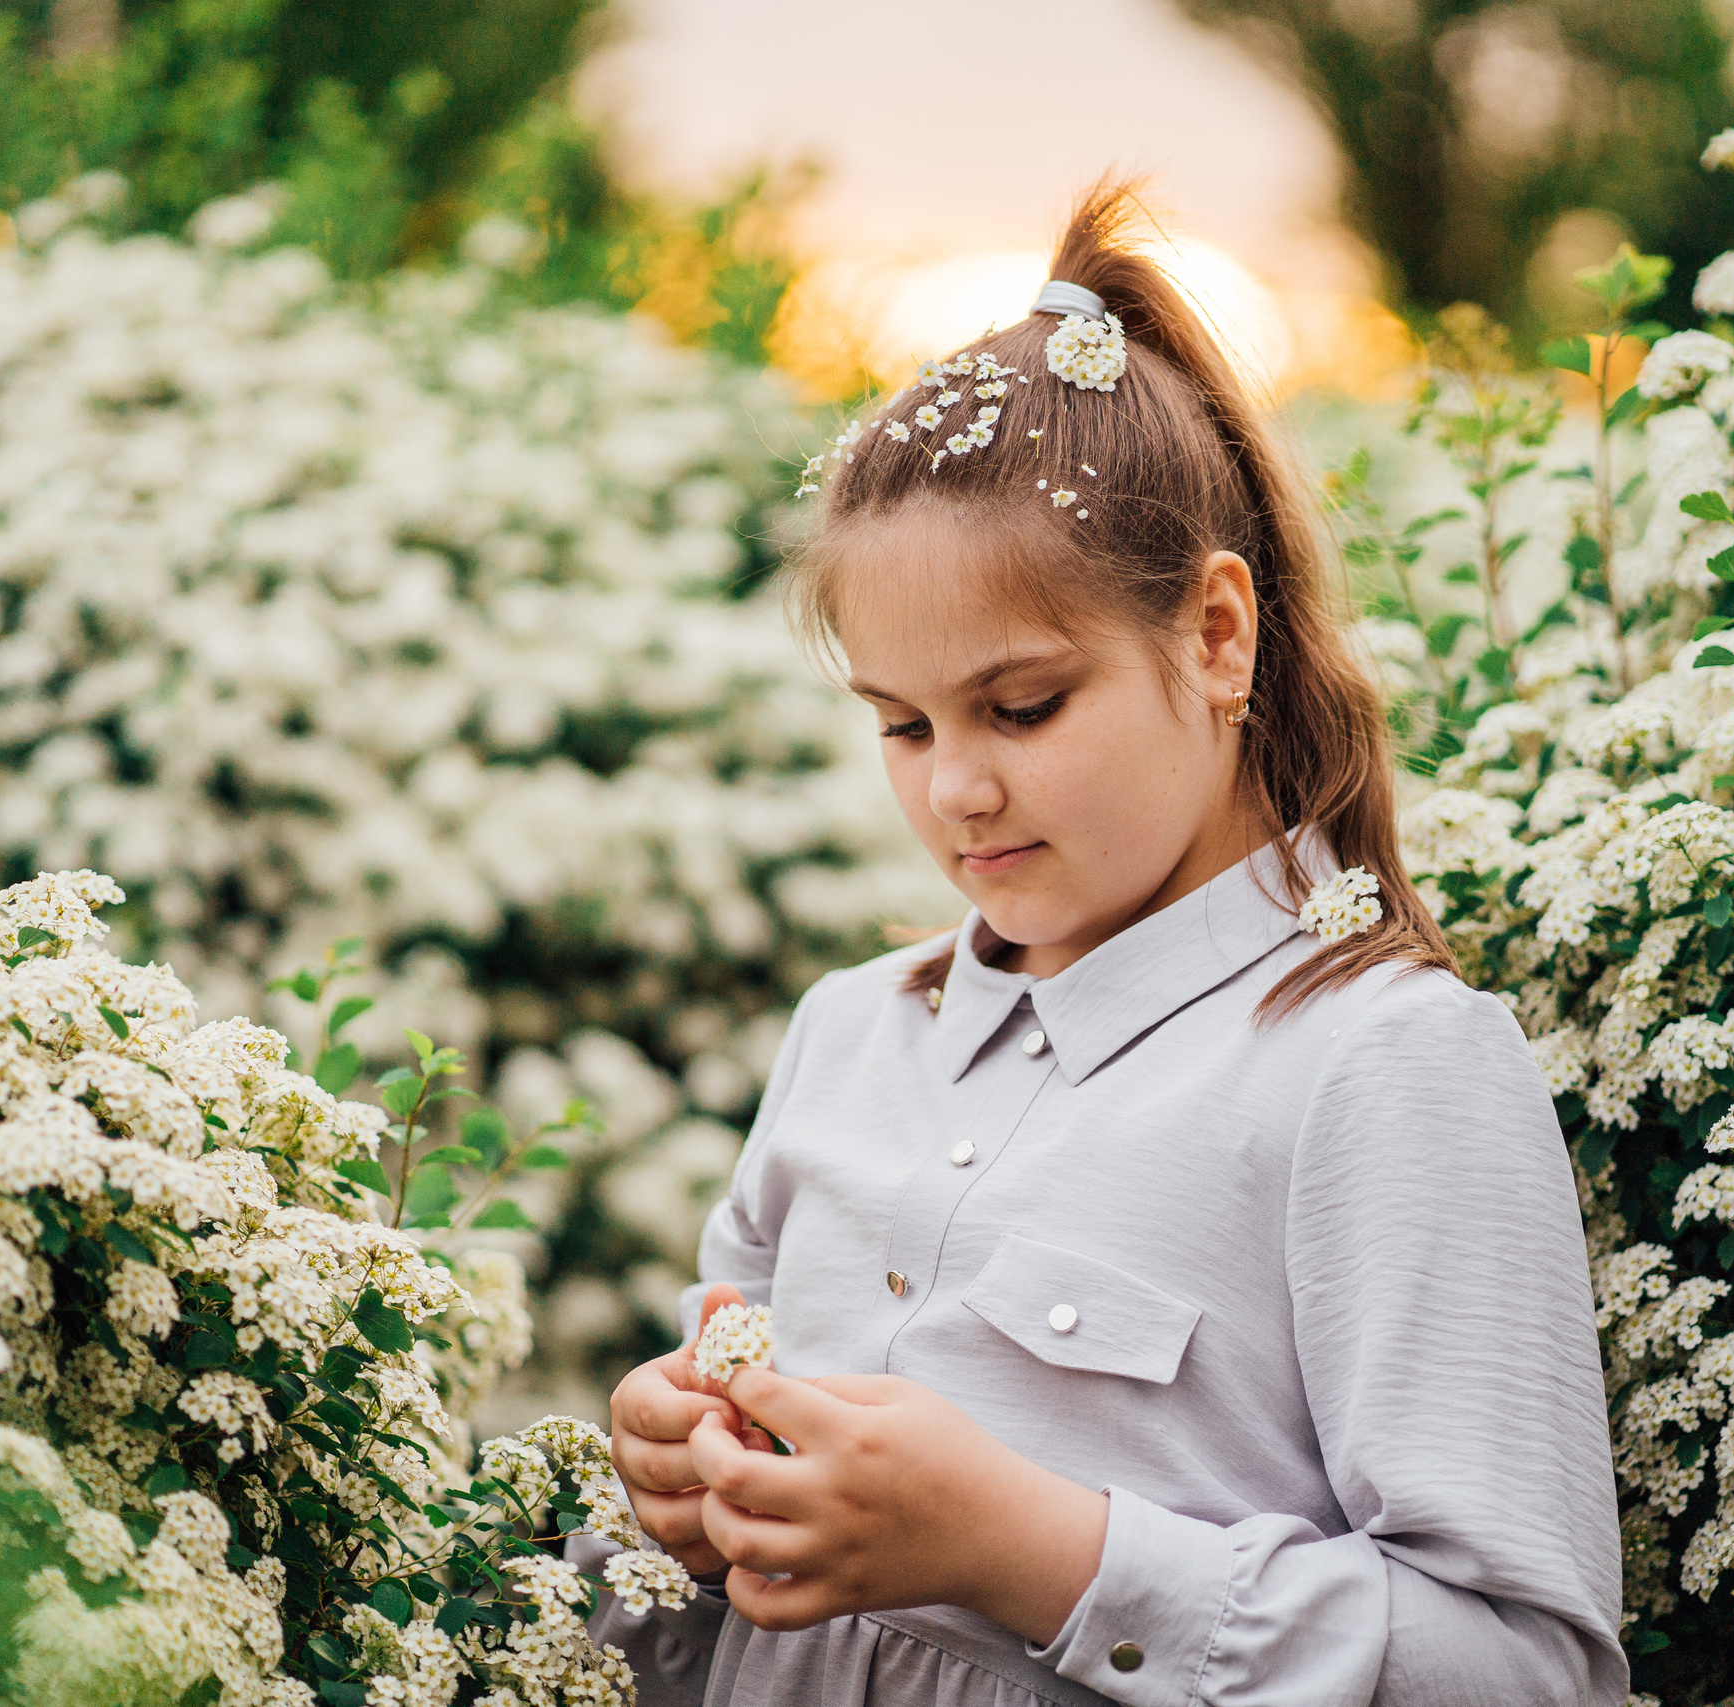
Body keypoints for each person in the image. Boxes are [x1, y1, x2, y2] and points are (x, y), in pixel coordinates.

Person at [585, 183, 1625, 1706]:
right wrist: (681, 1488)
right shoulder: (849, 1034)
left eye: (1023, 706)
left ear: (1216, 637)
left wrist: (1031, 1549)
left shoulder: (1384, 1065)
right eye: (902, 724)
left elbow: (1526, 1673)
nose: (958, 789)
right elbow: (729, 1520)